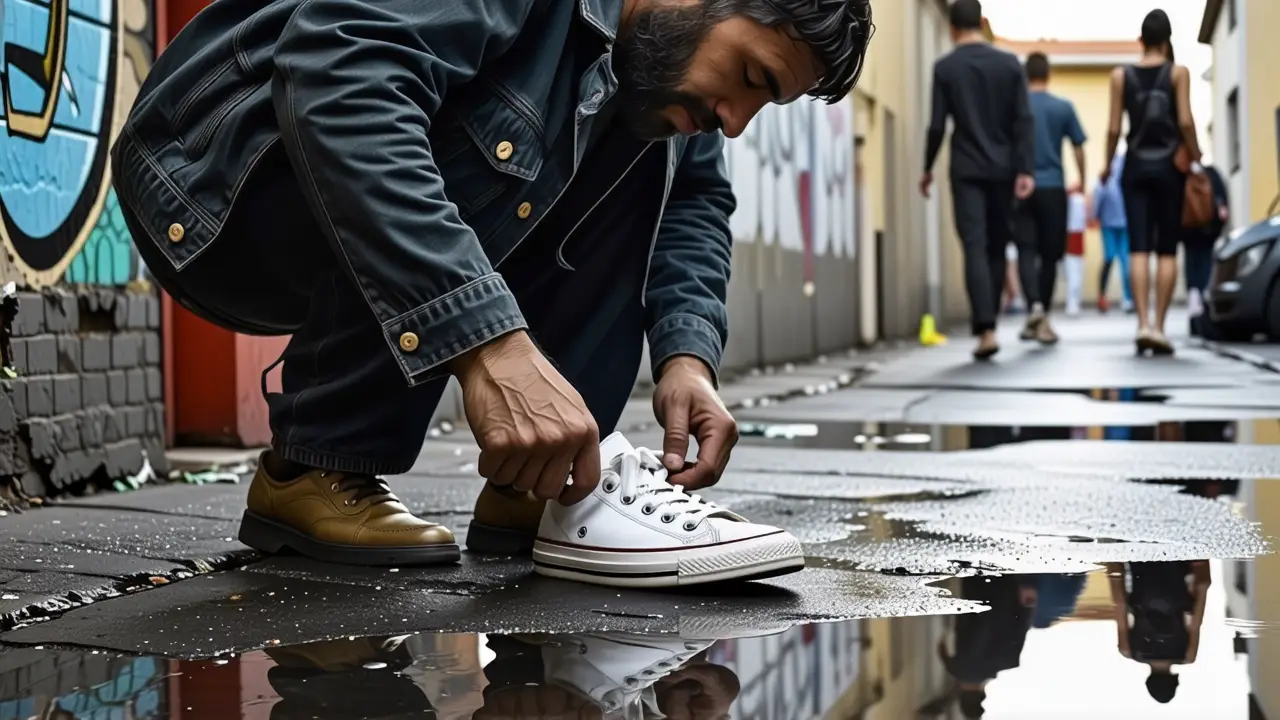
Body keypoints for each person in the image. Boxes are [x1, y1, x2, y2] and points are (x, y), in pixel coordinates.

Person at [111, 0, 874, 581]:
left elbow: (697, 202)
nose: (736, 121)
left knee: (658, 127)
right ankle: (317, 465)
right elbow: (343, 76)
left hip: (310, 185)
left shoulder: (658, 61)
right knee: (412, 106)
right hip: (218, 175)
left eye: (764, 104)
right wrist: (489, 346)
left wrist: (687, 358)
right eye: (749, 77)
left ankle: (542, 479)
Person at [921, 0, 1036, 361]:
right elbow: (1023, 120)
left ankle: (985, 329)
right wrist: (1026, 170)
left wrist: (926, 167)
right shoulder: (1009, 65)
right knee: (997, 247)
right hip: (1004, 171)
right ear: (982, 23)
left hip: (967, 170)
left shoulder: (945, 68)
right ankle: (993, 323)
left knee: (974, 245)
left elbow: (938, 124)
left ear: (953, 28)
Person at [1103, 9, 1203, 355]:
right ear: (1167, 40)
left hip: (1134, 168)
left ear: (1141, 40)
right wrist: (1197, 155)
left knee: (1138, 247)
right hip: (1169, 169)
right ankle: (1159, 327)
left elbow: (1115, 128)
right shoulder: (1178, 73)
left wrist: (1105, 164)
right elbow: (1187, 121)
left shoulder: (1120, 76)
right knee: (1166, 248)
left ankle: (1142, 324)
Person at [1016, 51, 1087, 344]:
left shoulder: (1016, 107)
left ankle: (1033, 309)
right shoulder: (1063, 108)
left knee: (1025, 250)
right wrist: (1081, 180)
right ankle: (1041, 314)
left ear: (1025, 75)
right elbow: (1079, 146)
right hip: (1054, 188)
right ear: (1048, 74)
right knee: (1049, 256)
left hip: (1021, 187)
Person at [1185, 163, 1230, 335]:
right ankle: (1204, 307)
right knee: (1205, 264)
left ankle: (1194, 305)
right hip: (1208, 228)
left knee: (1191, 265)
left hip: (1188, 229)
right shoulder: (1211, 173)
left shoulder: (1184, 173)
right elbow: (1222, 200)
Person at [1093, 151, 1134, 314]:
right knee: (1109, 259)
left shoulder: (1128, 176)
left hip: (1124, 225)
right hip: (1109, 225)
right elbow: (1098, 198)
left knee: (1126, 262)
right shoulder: (1106, 178)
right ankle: (1102, 296)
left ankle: (1129, 298)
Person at [1063, 187, 1087, 316]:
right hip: (1072, 242)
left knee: (1076, 276)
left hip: (1076, 242)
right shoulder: (1076, 200)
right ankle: (1073, 303)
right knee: (1074, 276)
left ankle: (1074, 302)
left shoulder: (1077, 200)